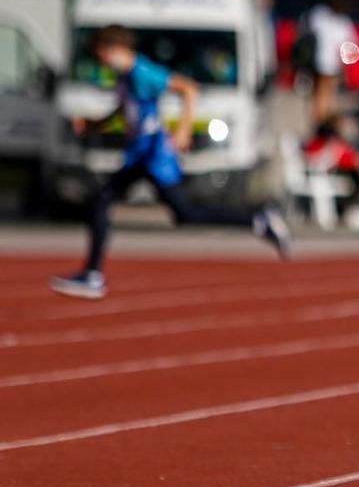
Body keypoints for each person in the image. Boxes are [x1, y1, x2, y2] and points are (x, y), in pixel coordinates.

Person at [50, 25, 291, 300]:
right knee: (119, 205)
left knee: (181, 213)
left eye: (101, 54)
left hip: (153, 157)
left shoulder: (143, 71)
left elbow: (188, 89)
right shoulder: (126, 77)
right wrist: (94, 124)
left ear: (115, 49)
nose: (101, 61)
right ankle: (92, 274)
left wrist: (183, 130)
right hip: (140, 155)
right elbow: (125, 109)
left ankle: (258, 219)